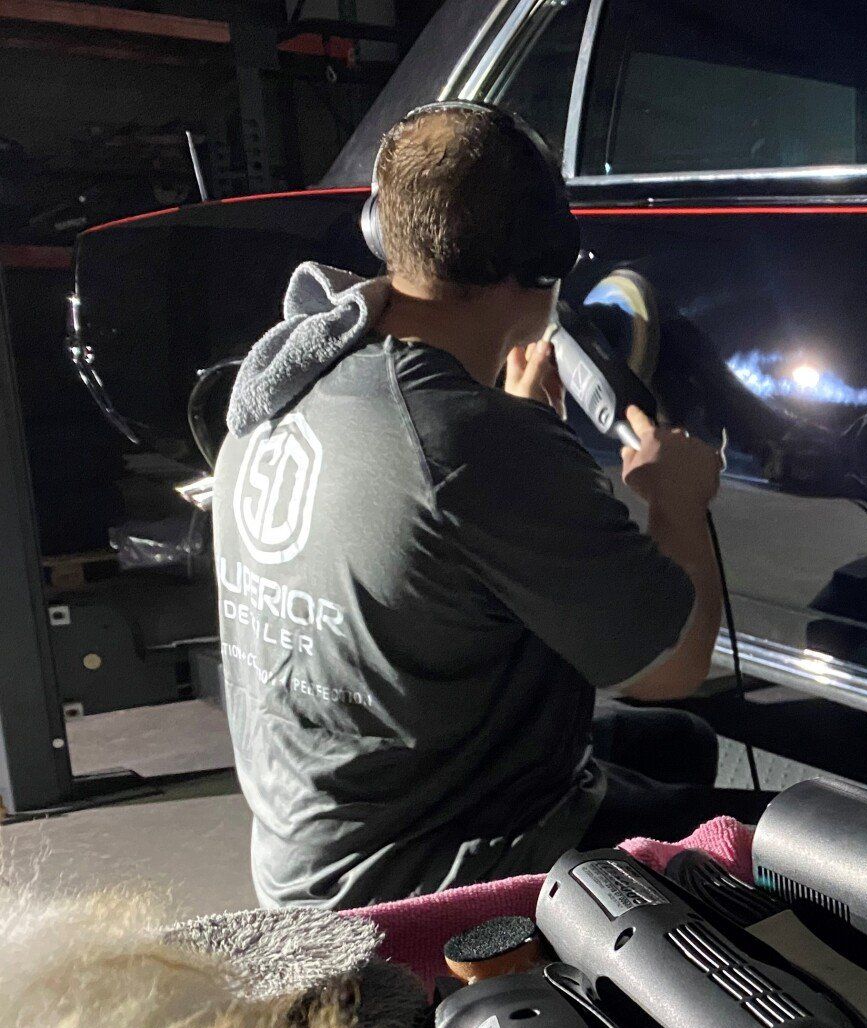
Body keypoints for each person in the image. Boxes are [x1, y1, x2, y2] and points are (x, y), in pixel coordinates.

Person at [212, 101, 752, 908]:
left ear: (381, 229)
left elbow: (428, 522)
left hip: (315, 848)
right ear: (547, 254)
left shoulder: (292, 379)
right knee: (797, 851)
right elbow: (672, 665)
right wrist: (677, 503)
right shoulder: (472, 442)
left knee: (677, 746)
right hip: (428, 877)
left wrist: (523, 432)